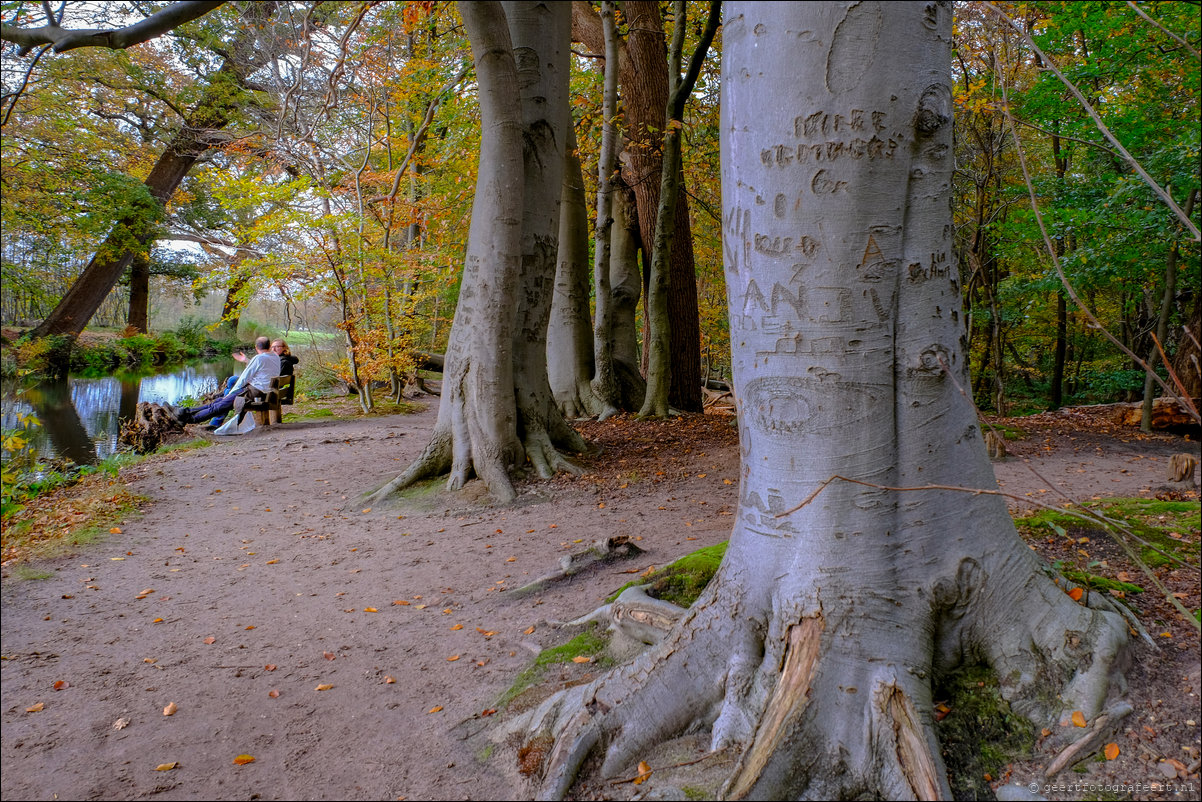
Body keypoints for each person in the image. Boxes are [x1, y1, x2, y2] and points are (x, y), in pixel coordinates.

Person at [169, 337, 280, 427]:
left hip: (256, 391)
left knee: (222, 403)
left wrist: (232, 392)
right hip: (264, 390)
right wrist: (246, 361)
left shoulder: (259, 358)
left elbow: (244, 378)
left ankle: (189, 419)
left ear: (256, 347)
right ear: (269, 346)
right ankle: (184, 411)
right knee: (220, 401)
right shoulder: (274, 357)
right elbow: (262, 369)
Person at [206, 339, 299, 430]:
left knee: (231, 384)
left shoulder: (283, 362)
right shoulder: (278, 359)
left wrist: (252, 380)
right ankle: (223, 399)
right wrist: (247, 360)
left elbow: (270, 378)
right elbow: (262, 370)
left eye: (277, 347)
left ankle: (218, 414)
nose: (274, 349)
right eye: (272, 346)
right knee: (232, 381)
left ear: (284, 348)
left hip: (268, 391)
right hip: (269, 388)